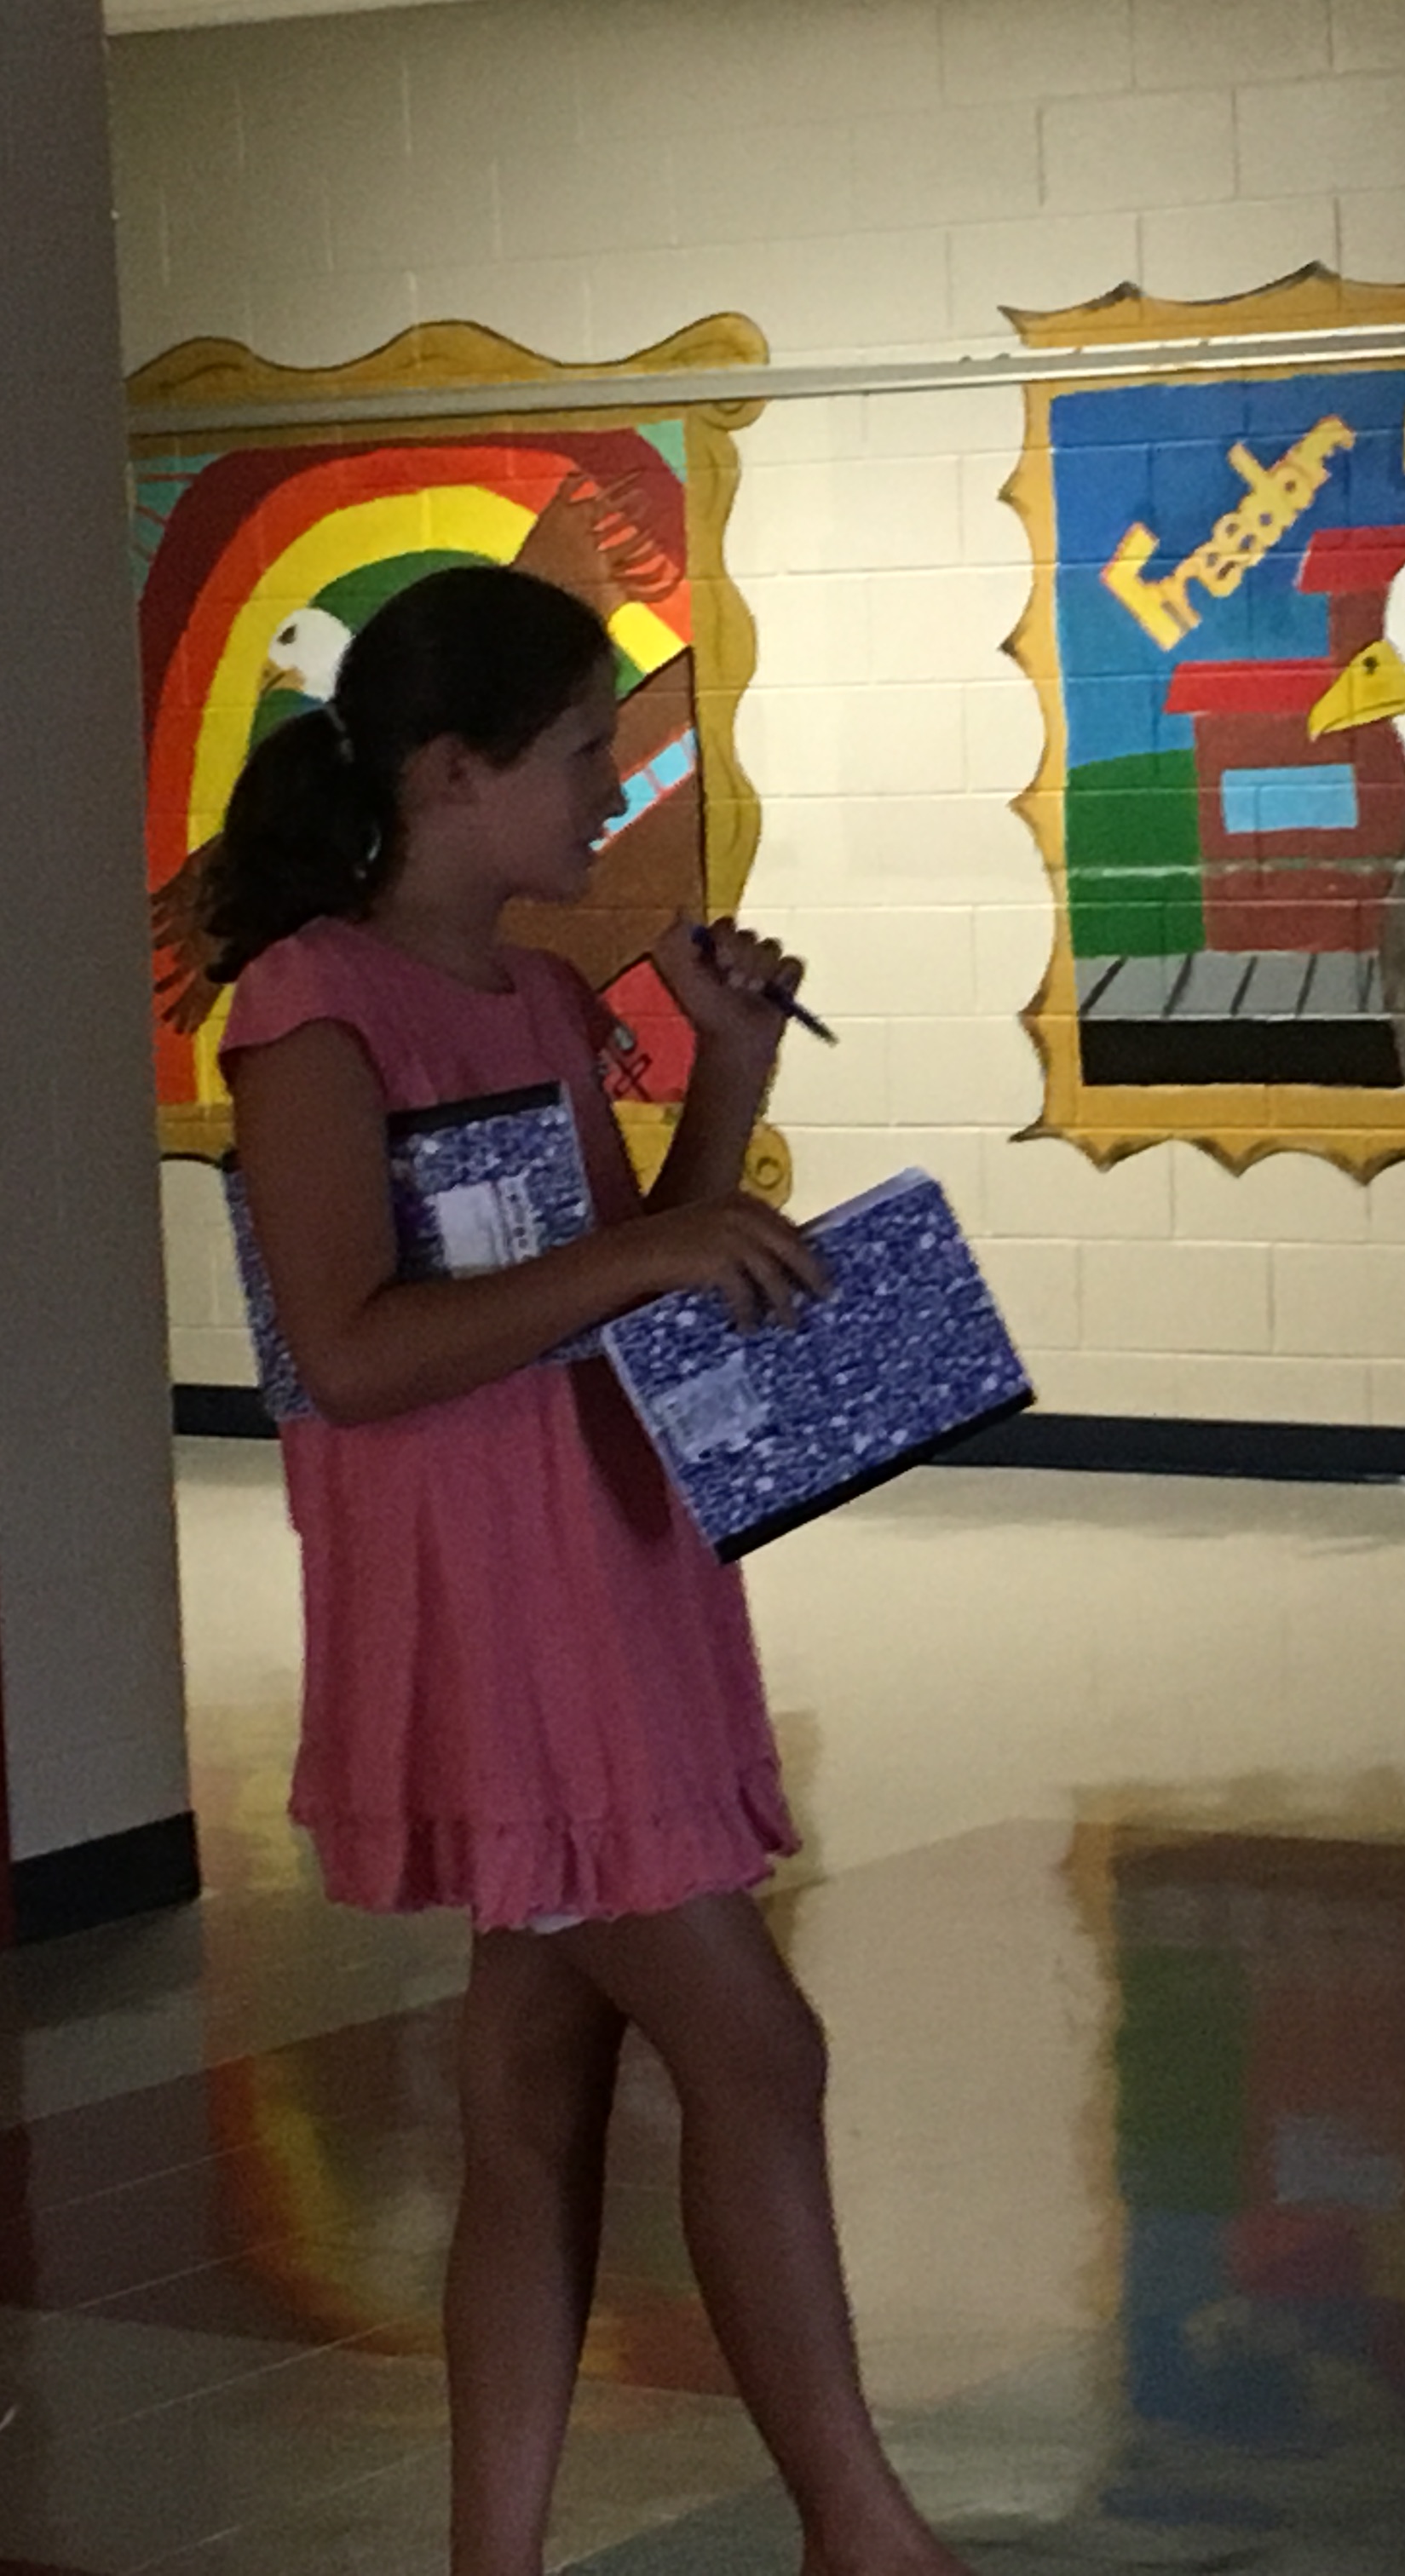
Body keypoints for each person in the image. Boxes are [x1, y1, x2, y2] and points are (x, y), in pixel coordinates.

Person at [204, 563, 970, 2576]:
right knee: (759, 2048)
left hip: (611, 1573)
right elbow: (355, 1351)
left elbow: (639, 1293)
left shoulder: (542, 1003)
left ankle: (504, 2558)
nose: (609, 799)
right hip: (492, 1619)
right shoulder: (306, 1013)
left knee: (538, 2095)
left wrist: (729, 1074)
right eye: (578, 758)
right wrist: (643, 1251)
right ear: (450, 772)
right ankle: (862, 2530)